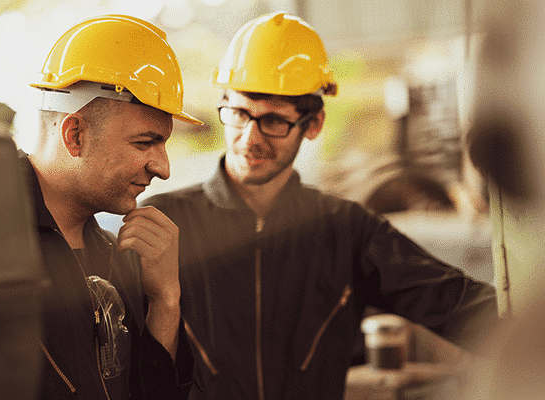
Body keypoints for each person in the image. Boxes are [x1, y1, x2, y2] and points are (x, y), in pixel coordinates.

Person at [141, 12, 500, 399]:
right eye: (240, 114)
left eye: (274, 121)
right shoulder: (166, 224)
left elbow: (461, 306)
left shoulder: (347, 232)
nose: (250, 138)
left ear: (313, 125)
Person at [24, 15, 202, 399]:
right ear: (75, 135)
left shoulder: (118, 254)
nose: (163, 168)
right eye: (144, 143)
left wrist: (165, 299)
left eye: (164, 144)